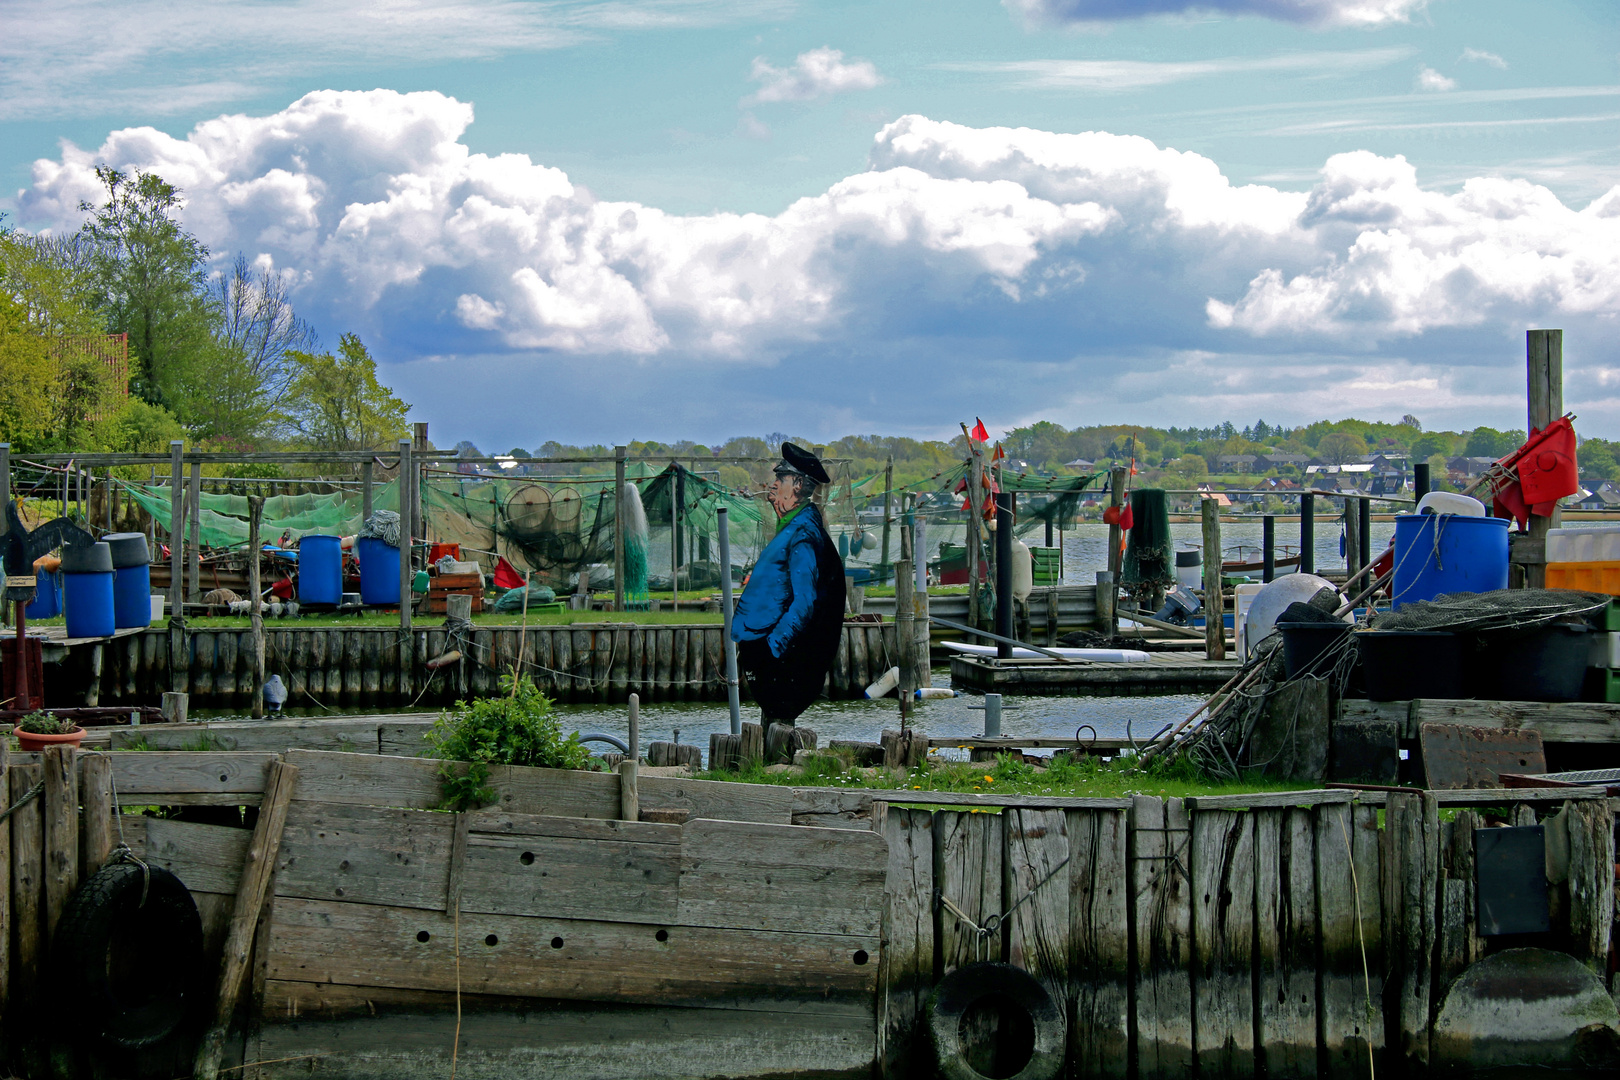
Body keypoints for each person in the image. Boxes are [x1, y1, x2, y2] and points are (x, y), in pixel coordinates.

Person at [731, 442, 845, 731]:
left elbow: (805, 601)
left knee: (778, 723)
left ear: (796, 485)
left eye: (779, 479)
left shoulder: (803, 534)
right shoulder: (793, 526)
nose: (772, 485)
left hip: (774, 656)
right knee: (771, 719)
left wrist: (773, 648)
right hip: (762, 647)